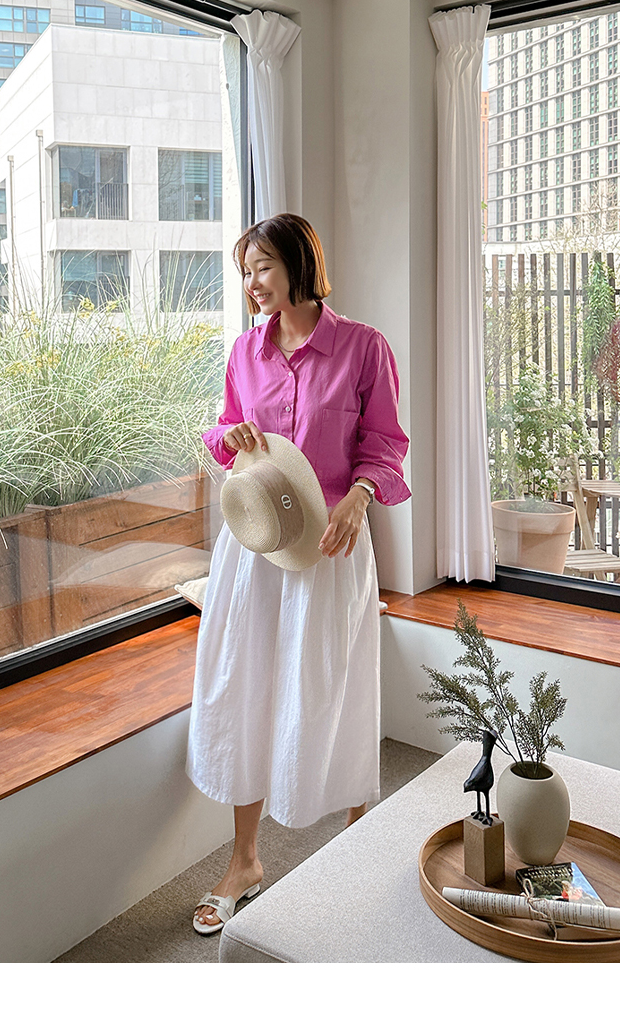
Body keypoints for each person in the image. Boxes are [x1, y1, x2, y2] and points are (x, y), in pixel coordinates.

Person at [188, 213, 410, 933]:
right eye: (245, 271)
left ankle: (357, 848)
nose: (251, 284)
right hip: (255, 547)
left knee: (335, 687)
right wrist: (230, 435)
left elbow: (385, 443)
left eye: (262, 268)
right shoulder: (244, 351)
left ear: (297, 266)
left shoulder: (363, 347)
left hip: (330, 546)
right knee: (246, 687)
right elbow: (222, 431)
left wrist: (361, 495)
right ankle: (244, 860)